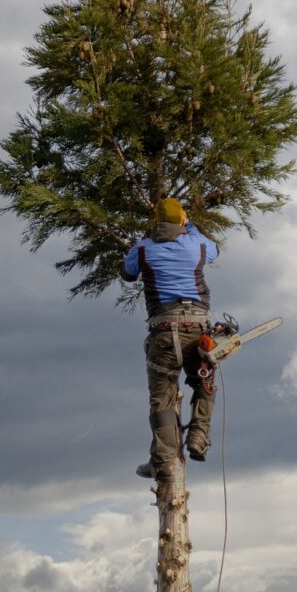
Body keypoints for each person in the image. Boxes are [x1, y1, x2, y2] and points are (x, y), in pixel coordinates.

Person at [122, 197, 219, 481]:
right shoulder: (196, 244)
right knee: (204, 381)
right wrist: (190, 226)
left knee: (162, 400)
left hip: (163, 332)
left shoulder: (143, 249)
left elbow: (128, 274)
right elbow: (215, 250)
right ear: (181, 220)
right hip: (198, 329)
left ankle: (163, 463)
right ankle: (199, 436)